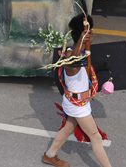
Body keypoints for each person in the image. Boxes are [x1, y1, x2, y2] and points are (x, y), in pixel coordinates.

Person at [42, 14, 112, 167]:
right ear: (82, 35)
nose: (92, 36)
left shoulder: (80, 53)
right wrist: (83, 39)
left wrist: (84, 42)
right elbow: (73, 63)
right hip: (77, 104)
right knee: (95, 137)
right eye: (89, 34)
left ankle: (49, 155)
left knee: (68, 128)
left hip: (78, 102)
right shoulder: (69, 55)